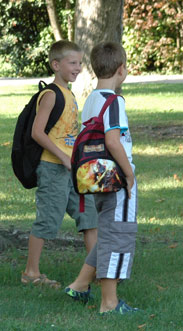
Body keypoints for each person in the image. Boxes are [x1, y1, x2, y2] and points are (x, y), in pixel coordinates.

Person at [64, 41, 138, 315]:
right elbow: (113, 141)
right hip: (117, 179)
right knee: (118, 235)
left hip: (96, 179)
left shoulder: (92, 99)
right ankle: (110, 303)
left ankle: (80, 285)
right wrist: (129, 175)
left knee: (107, 232)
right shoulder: (114, 100)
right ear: (121, 70)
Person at [21, 40, 98, 288]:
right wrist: (63, 157)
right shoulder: (51, 94)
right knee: (48, 220)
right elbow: (37, 132)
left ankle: (96, 271)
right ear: (56, 64)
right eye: (72, 63)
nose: (78, 67)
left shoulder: (69, 93)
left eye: (80, 63)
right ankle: (31, 273)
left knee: (89, 216)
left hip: (73, 169)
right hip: (53, 168)